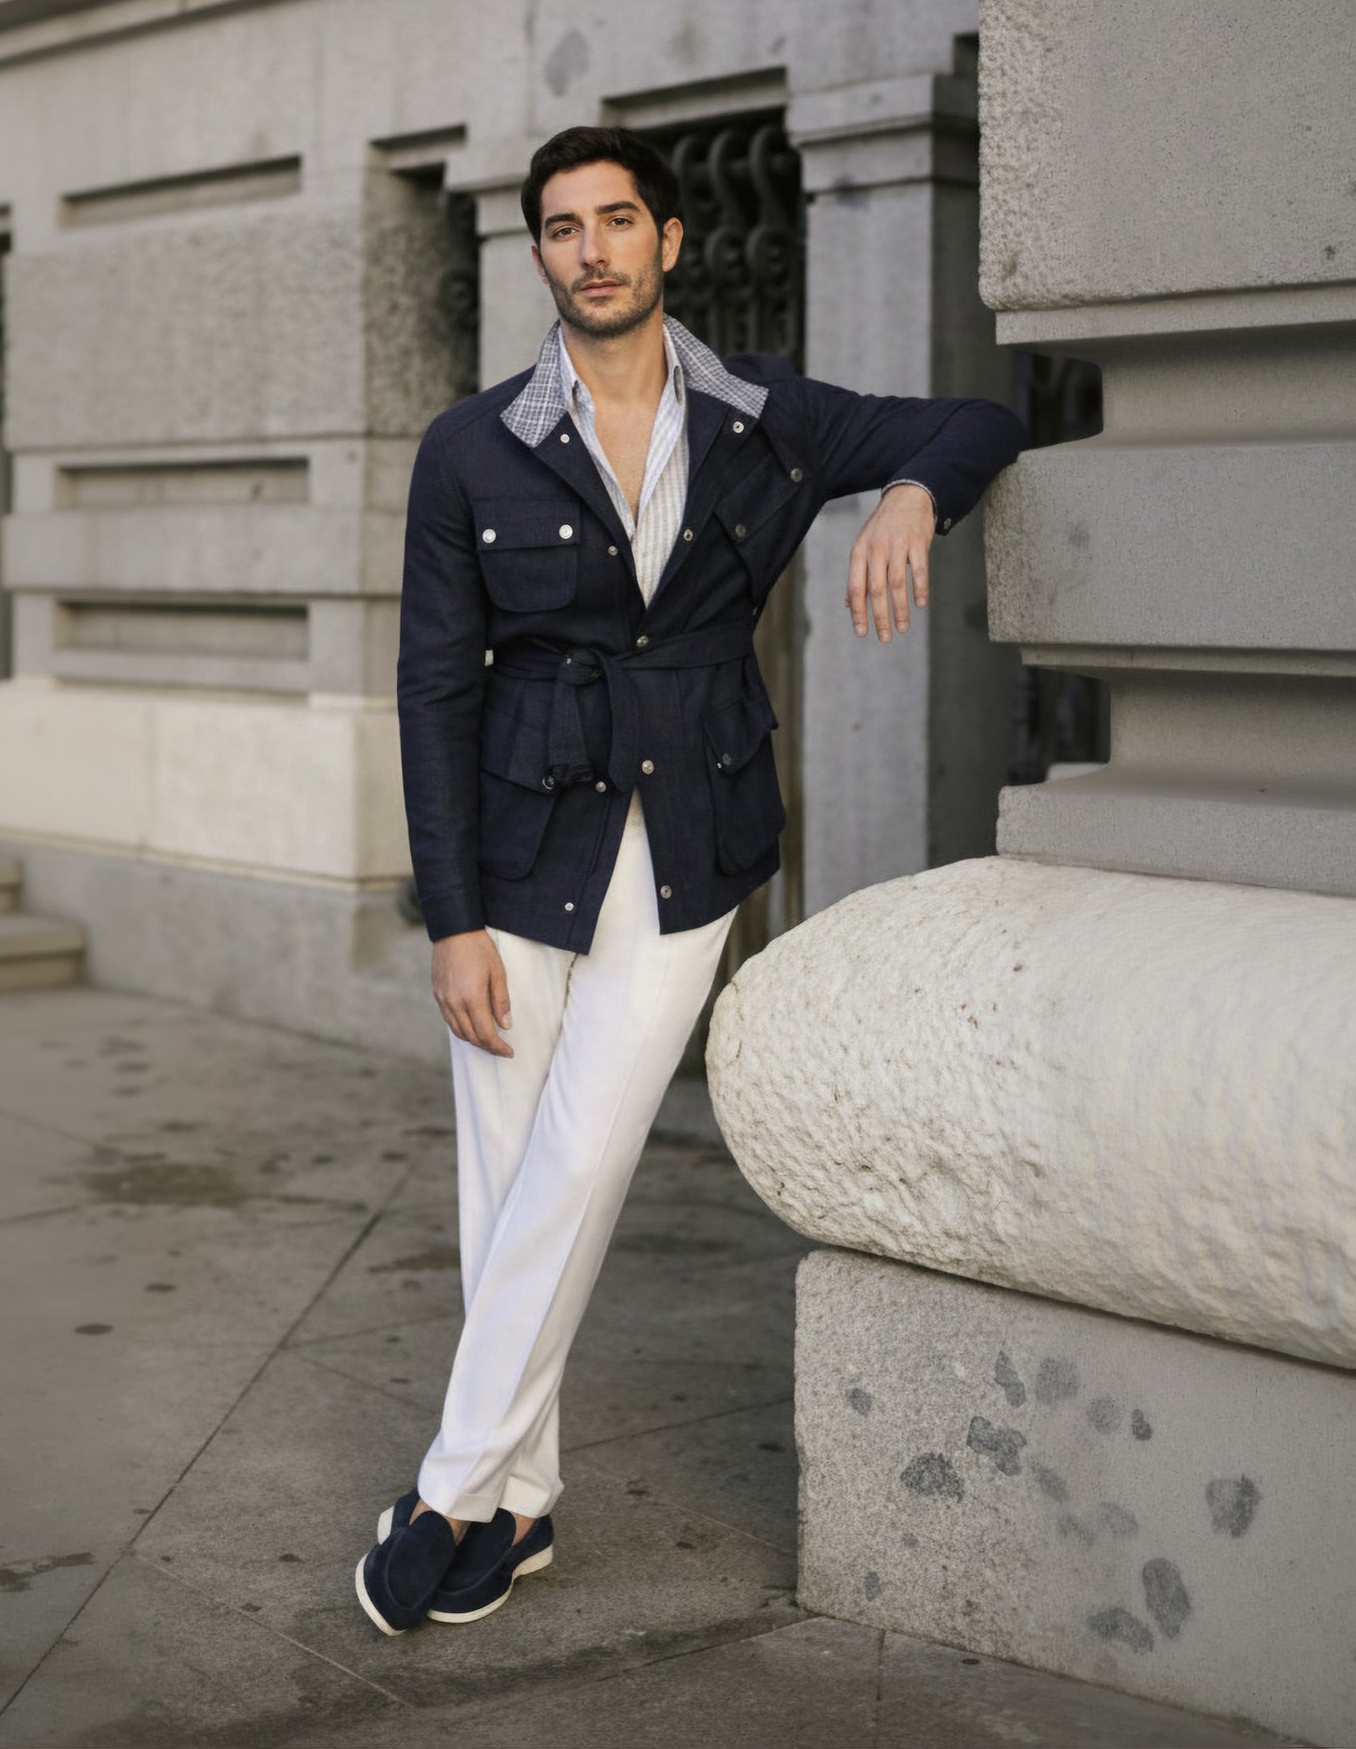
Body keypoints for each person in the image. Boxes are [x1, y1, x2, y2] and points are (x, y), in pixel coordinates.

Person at [356, 124, 1026, 1633]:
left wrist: (910, 497)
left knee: (584, 1157)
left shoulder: (765, 419)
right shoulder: (472, 446)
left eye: (614, 221)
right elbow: (431, 688)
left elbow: (979, 416)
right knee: (503, 1178)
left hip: (691, 845)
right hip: (518, 852)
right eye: (558, 228)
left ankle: (449, 1487)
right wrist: (449, 913)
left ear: (668, 240)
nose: (587, 249)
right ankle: (519, 1504)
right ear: (537, 255)